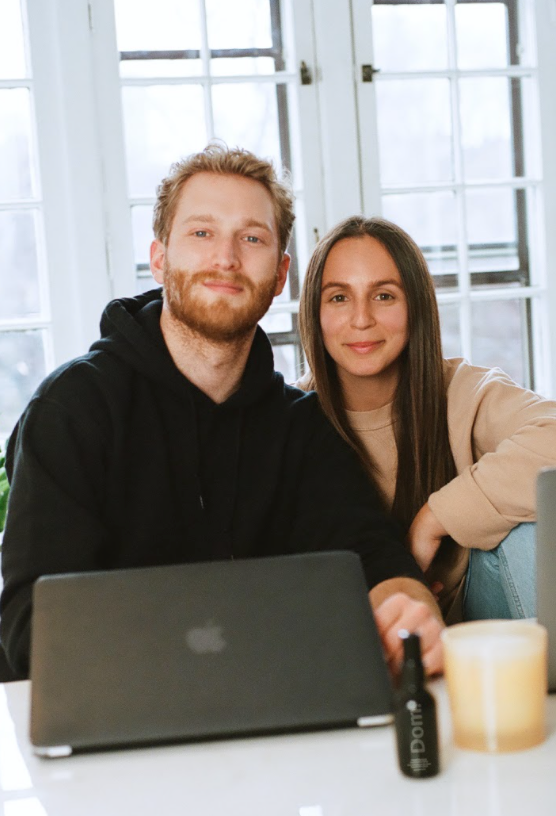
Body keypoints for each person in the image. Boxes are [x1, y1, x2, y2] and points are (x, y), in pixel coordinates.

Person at [0, 146, 443, 680]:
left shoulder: (303, 428)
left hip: (270, 718)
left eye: (252, 238)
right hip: (112, 724)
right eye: (202, 233)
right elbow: (32, 628)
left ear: (281, 274)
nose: (227, 259)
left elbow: (373, 557)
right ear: (160, 256)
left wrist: (408, 604)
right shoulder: (72, 410)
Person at [298, 215, 556, 624]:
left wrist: (433, 521)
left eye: (384, 296)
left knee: (531, 531)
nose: (361, 319)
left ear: (415, 305)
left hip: (473, 621)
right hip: (343, 626)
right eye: (339, 297)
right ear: (314, 311)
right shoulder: (290, 417)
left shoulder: (462, 392)